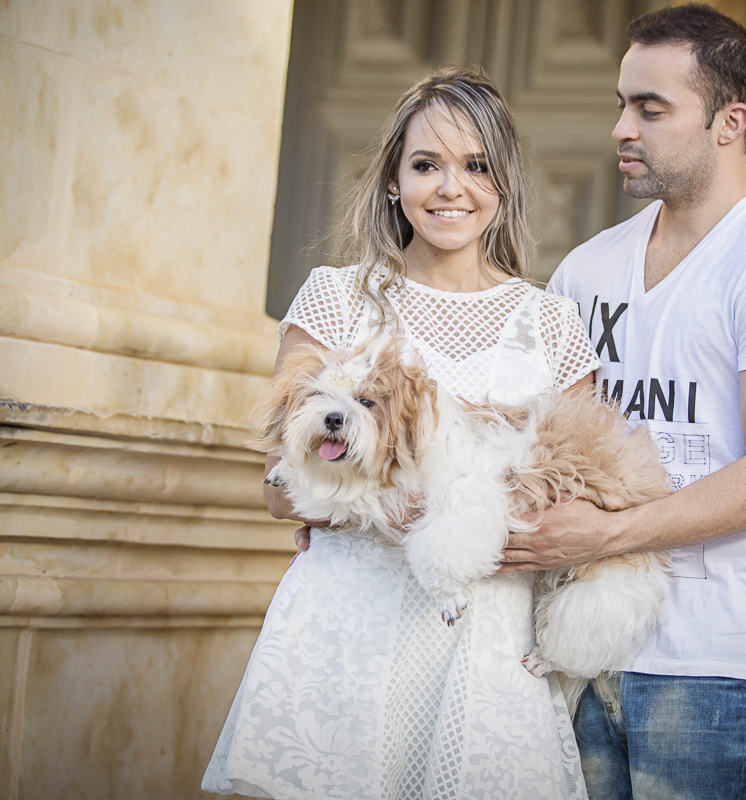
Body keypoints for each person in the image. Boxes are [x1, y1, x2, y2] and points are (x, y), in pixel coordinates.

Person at [202, 67, 600, 800]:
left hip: (487, 636)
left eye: (476, 165)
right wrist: (393, 508)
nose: (451, 188)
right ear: (393, 179)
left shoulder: (552, 324)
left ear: (504, 183)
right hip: (347, 627)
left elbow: (582, 492)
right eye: (426, 165)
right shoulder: (335, 299)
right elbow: (278, 488)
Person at [499, 5, 746, 800]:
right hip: (576, 645)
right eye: (621, 104)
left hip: (712, 670)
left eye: (650, 109)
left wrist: (604, 534)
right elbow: (533, 434)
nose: (622, 128)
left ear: (730, 122)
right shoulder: (586, 269)